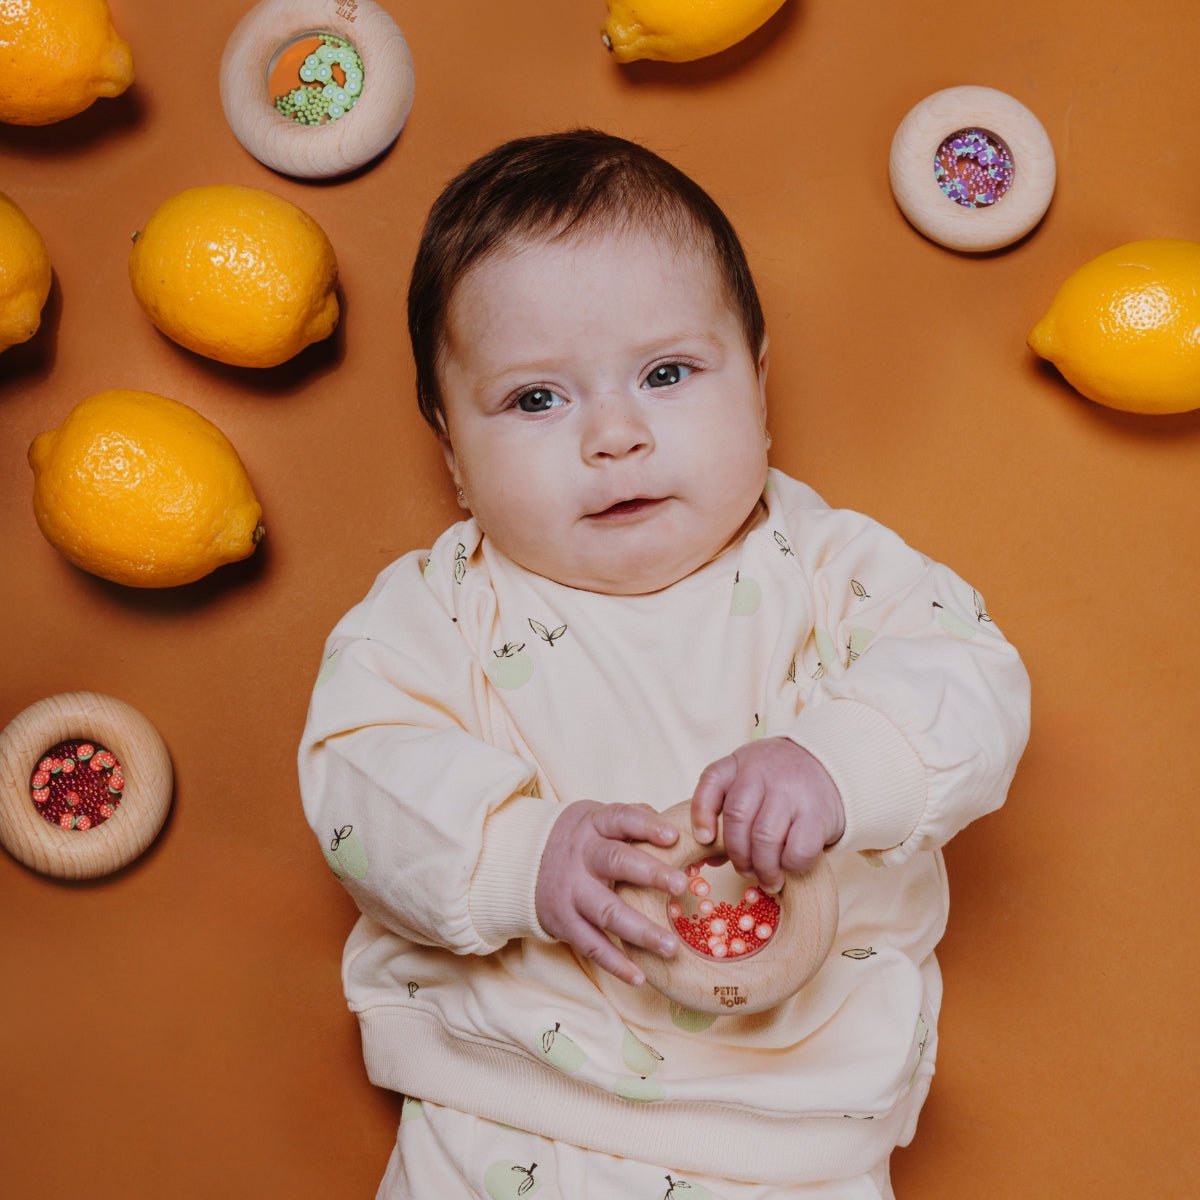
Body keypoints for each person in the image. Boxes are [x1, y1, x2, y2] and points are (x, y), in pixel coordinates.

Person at [298, 128, 1030, 1198]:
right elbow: (358, 775)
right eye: (536, 399)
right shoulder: (434, 610)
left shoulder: (828, 568)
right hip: (504, 1108)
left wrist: (839, 766)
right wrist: (521, 854)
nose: (614, 435)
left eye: (668, 373)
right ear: (453, 453)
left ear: (759, 389)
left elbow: (974, 677)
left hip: (790, 1133)